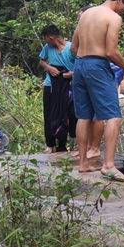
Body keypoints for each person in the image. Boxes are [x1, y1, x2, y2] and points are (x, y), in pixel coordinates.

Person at [70, 0, 124, 179]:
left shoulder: (86, 14)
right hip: (97, 65)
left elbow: (73, 48)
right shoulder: (114, 17)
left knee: (84, 116)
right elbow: (111, 51)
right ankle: (108, 164)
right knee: (113, 115)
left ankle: (82, 163)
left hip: (80, 65)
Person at [38, 25, 76, 153]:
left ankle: (62, 144)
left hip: (68, 86)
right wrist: (49, 68)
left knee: (66, 114)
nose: (46, 42)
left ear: (51, 37)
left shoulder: (72, 48)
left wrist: (72, 74)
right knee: (49, 114)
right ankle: (50, 144)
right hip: (51, 85)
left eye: (45, 39)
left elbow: (81, 65)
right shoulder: (47, 48)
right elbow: (42, 61)